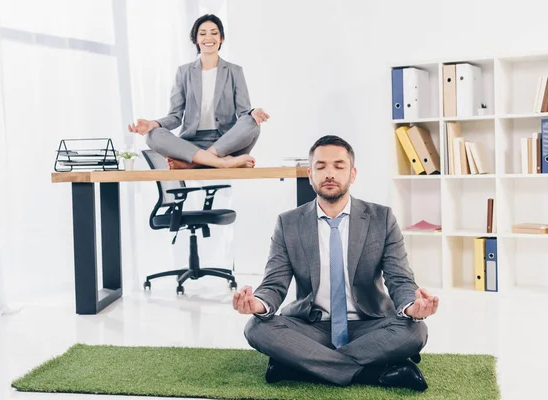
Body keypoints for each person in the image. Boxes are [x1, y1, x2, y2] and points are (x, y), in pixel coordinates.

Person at [232, 135, 439, 392]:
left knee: (415, 332)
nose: (329, 173)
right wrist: (258, 303)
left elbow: (400, 279)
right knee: (257, 328)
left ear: (352, 174)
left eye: (339, 166)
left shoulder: (381, 218)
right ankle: (374, 373)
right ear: (310, 174)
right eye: (320, 167)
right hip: (312, 326)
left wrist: (412, 307)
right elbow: (274, 283)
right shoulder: (289, 223)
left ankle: (298, 365)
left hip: (369, 323)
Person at [128, 14, 269, 170]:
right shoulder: (183, 72)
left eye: (214, 33)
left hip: (226, 142)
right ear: (195, 39)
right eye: (202, 33)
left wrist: (253, 112)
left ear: (221, 38)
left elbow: (243, 115)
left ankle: (196, 162)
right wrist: (152, 124)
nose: (209, 37)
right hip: (191, 143)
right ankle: (222, 162)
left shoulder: (234, 71)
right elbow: (175, 117)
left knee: (252, 123)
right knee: (152, 135)